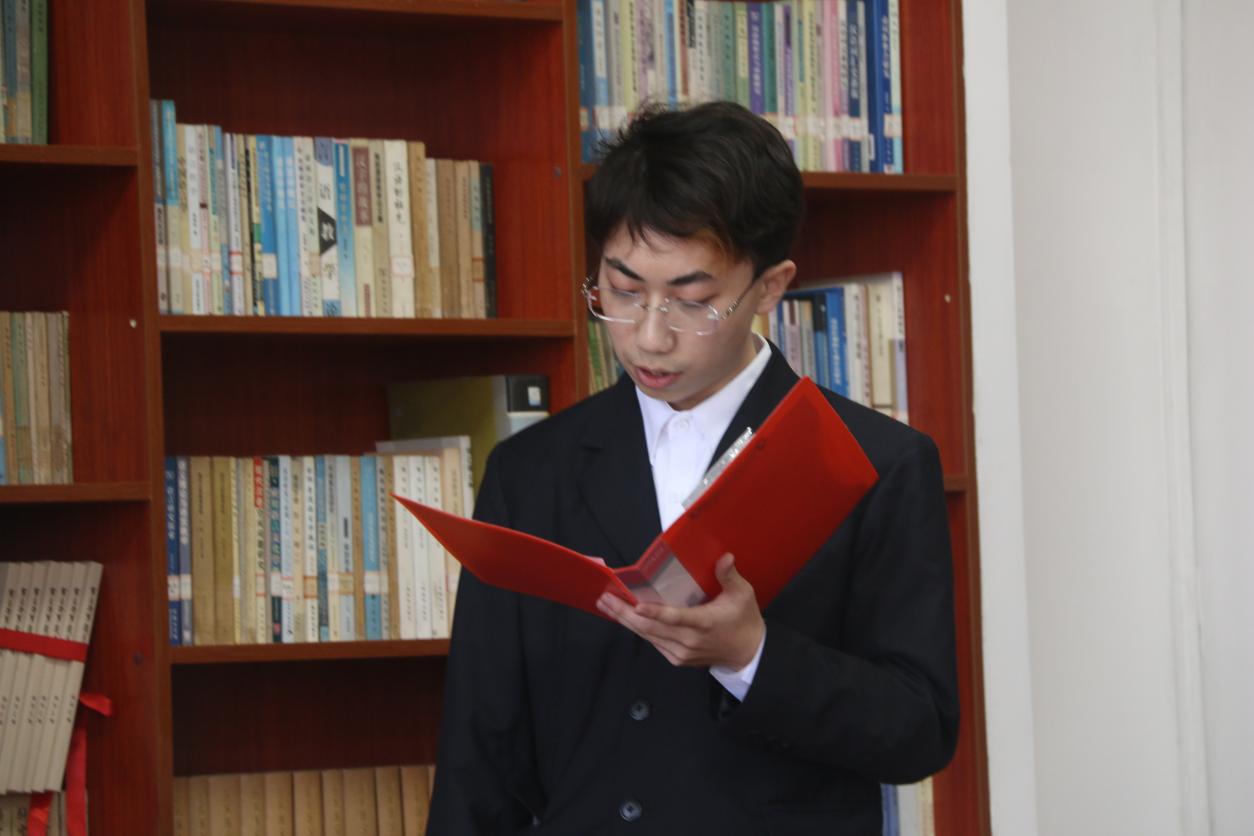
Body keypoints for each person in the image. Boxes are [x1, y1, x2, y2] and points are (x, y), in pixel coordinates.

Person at [427, 101, 958, 835]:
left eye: (693, 301)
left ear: (770, 287)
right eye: (622, 291)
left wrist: (753, 655)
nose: (650, 336)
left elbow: (920, 729)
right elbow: (477, 752)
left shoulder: (875, 464)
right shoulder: (529, 472)